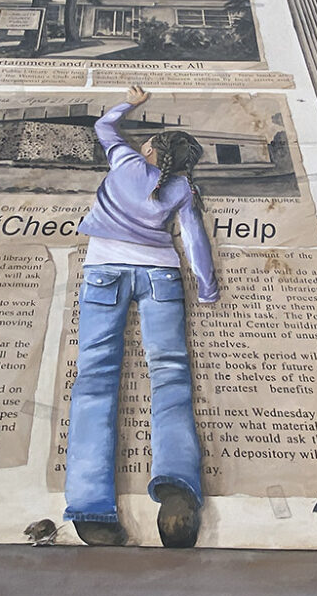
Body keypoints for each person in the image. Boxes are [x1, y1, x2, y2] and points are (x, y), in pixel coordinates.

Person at [65, 85, 219, 548]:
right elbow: (194, 241)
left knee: (94, 377)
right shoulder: (182, 189)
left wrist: (127, 103)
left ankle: (91, 507)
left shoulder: (126, 163)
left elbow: (104, 126)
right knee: (170, 375)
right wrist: (207, 290)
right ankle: (177, 487)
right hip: (160, 277)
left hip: (103, 273)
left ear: (151, 149)